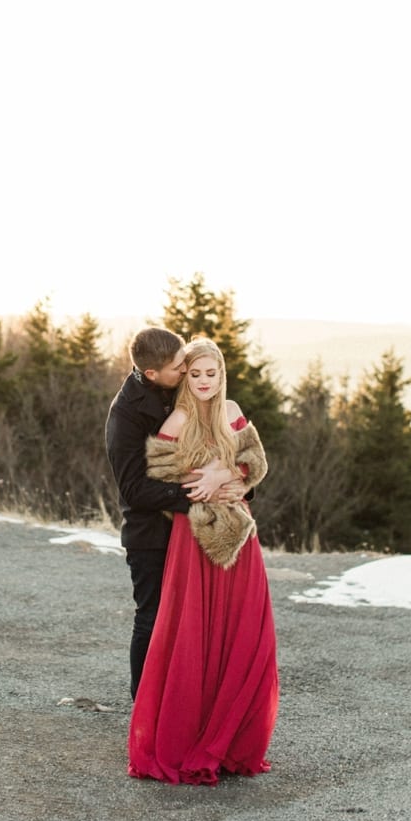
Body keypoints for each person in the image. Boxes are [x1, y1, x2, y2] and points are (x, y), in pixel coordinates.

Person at [127, 336, 280, 784]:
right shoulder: (176, 419)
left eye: (211, 373)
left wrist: (231, 473)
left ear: (222, 373)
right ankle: (191, 734)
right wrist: (204, 480)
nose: (204, 382)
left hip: (240, 533)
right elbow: (159, 471)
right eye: (195, 374)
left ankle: (232, 737)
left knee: (243, 629)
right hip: (193, 535)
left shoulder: (233, 412)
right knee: (195, 630)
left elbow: (256, 459)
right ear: (185, 376)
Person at [105, 327, 241, 698]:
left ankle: (182, 706)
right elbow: (134, 489)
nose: (186, 370)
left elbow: (232, 452)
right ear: (152, 374)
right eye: (179, 367)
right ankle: (145, 710)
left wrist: (227, 476)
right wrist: (200, 493)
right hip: (149, 534)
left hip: (191, 531)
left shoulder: (185, 391)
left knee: (194, 625)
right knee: (151, 619)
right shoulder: (126, 416)